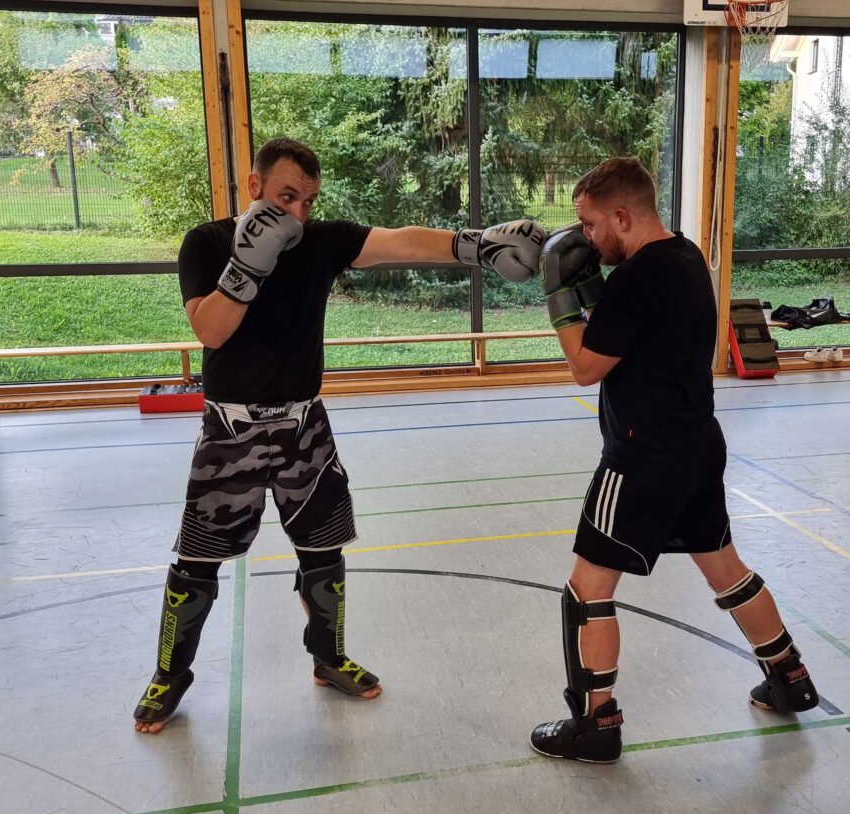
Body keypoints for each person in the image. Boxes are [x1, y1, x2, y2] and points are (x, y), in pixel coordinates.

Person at [134, 137, 546, 733]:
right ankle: (169, 676)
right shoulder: (207, 242)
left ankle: (327, 659)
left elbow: (400, 240)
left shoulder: (321, 241)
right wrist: (249, 264)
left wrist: (475, 245)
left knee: (324, 553)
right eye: (286, 196)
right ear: (254, 187)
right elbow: (211, 331)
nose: (298, 212)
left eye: (307, 200)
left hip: (305, 424)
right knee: (196, 562)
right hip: (231, 430)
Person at [529, 157, 818, 763]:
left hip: (641, 457)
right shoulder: (685, 259)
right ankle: (789, 677)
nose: (585, 237)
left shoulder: (637, 280)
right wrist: (590, 288)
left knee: (586, 589)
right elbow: (634, 332)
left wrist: (559, 294)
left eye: (589, 225)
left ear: (623, 215)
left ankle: (596, 723)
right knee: (726, 570)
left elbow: (586, 367)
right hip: (696, 446)